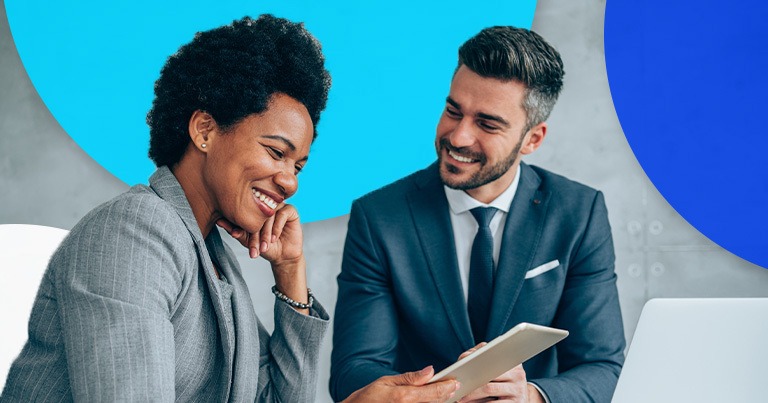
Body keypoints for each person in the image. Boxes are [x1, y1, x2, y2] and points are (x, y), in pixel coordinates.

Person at [1, 15, 333, 402]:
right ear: (205, 130)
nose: (290, 182)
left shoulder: (214, 260)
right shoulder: (133, 233)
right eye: (276, 152)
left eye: (298, 166)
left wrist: (290, 270)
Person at [331, 26, 625, 402]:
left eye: (487, 124)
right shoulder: (378, 218)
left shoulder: (580, 213)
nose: (458, 137)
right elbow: (353, 370)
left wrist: (530, 397)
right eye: (453, 111)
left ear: (532, 139)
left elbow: (603, 366)